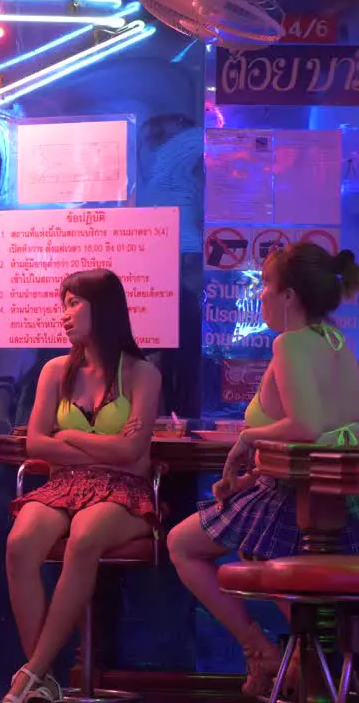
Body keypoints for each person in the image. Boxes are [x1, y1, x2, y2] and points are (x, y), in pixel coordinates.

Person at [167, 242, 359, 698]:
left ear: (289, 295)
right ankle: (304, 666)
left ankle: (263, 652)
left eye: (267, 285)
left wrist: (248, 438)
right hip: (327, 499)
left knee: (182, 545)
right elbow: (328, 431)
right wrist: (250, 471)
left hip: (298, 501)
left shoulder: (290, 342)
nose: (261, 296)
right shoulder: (335, 342)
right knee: (260, 557)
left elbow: (307, 427)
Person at [2, 269, 161, 703]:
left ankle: (32, 673)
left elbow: (134, 453)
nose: (65, 315)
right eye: (63, 304)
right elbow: (36, 442)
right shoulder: (55, 370)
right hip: (64, 485)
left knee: (86, 537)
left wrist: (68, 437)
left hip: (123, 490)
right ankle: (46, 678)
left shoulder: (142, 373)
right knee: (20, 543)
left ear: (103, 309)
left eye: (75, 304)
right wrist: (99, 446)